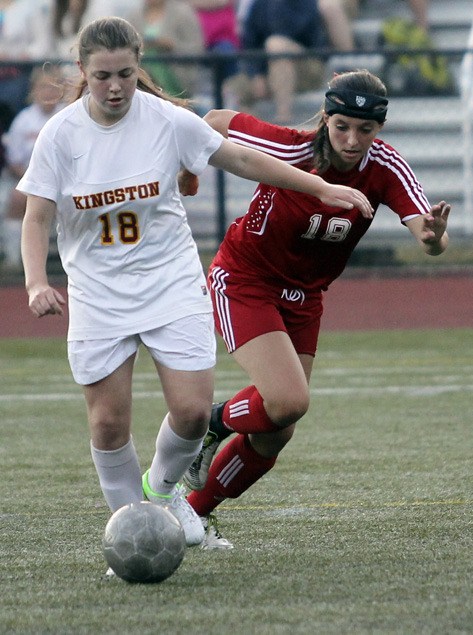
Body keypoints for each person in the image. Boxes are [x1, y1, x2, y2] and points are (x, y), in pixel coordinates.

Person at [18, 17, 372, 563]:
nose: (115, 87)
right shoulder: (61, 136)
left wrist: (321, 185)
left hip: (171, 282)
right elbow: (37, 217)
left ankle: (163, 495)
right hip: (97, 293)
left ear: (139, 68)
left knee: (188, 412)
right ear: (83, 72)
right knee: (108, 423)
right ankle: (128, 534)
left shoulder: (166, 120)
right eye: (103, 76)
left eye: (127, 75)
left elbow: (244, 158)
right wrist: (37, 280)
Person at [178, 69, 451, 548]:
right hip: (245, 279)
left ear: (379, 130)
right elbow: (216, 120)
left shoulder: (385, 168)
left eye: (365, 130)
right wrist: (187, 168)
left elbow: (428, 233)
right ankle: (210, 426)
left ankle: (194, 516)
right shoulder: (290, 146)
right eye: (342, 125)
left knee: (276, 431)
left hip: (305, 296)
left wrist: (432, 240)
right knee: (287, 402)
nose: (352, 139)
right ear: (326, 118)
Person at [1, 65, 65, 271]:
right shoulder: (24, 120)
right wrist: (34, 180)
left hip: (66, 180)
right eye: (44, 87)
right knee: (17, 199)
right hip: (29, 180)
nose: (49, 92)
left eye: (53, 87)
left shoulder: (67, 116)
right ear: (34, 90)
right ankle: (14, 262)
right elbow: (13, 161)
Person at [240, 0, 328, 124]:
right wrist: (256, 74)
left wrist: (292, 49)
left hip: (308, 67)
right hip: (267, 70)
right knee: (234, 87)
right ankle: (253, 131)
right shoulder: (259, 4)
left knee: (276, 45)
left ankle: (283, 118)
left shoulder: (307, 3)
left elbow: (317, 46)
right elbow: (249, 46)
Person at [128, 0, 205, 99]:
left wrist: (171, 46)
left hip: (177, 75)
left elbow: (197, 48)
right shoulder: (134, 16)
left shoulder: (183, 13)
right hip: (143, 76)